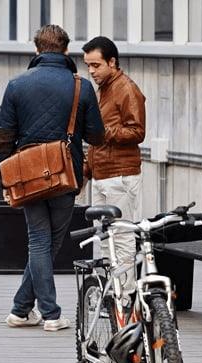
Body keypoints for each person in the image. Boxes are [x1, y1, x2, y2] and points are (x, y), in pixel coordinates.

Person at [0, 25, 105, 332]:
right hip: (65, 174)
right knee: (48, 242)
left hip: (27, 176)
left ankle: (21, 309)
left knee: (40, 241)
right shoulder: (80, 86)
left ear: (37, 50)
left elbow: (4, 138)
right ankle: (51, 314)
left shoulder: (17, 85)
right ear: (66, 51)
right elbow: (97, 137)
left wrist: (6, 180)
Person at [82, 36, 146, 311]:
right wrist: (85, 172)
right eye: (88, 66)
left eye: (96, 65)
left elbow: (137, 131)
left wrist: (104, 132)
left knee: (121, 239)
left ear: (112, 61)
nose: (92, 71)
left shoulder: (126, 89)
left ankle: (126, 298)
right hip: (103, 175)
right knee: (105, 238)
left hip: (120, 175)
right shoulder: (105, 89)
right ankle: (114, 293)